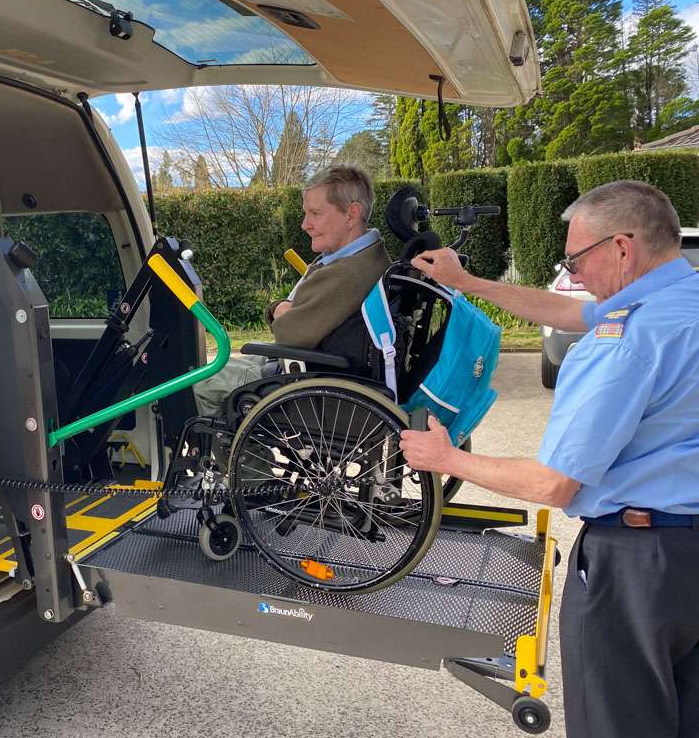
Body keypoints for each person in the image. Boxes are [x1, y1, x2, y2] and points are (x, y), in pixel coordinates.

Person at [398, 180, 699, 738]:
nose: (574, 273)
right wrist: (463, 282)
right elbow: (566, 310)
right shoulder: (680, 302)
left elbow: (554, 484)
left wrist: (446, 459)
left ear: (623, 248)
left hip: (640, 566)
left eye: (576, 258)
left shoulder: (625, 338)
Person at [193, 165, 391, 414]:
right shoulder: (368, 257)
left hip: (307, 382)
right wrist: (285, 310)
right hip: (320, 372)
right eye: (305, 213)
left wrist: (279, 309)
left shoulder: (347, 272)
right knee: (213, 371)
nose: (304, 224)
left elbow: (288, 333)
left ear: (351, 214)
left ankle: (245, 454)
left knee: (199, 383)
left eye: (315, 213)